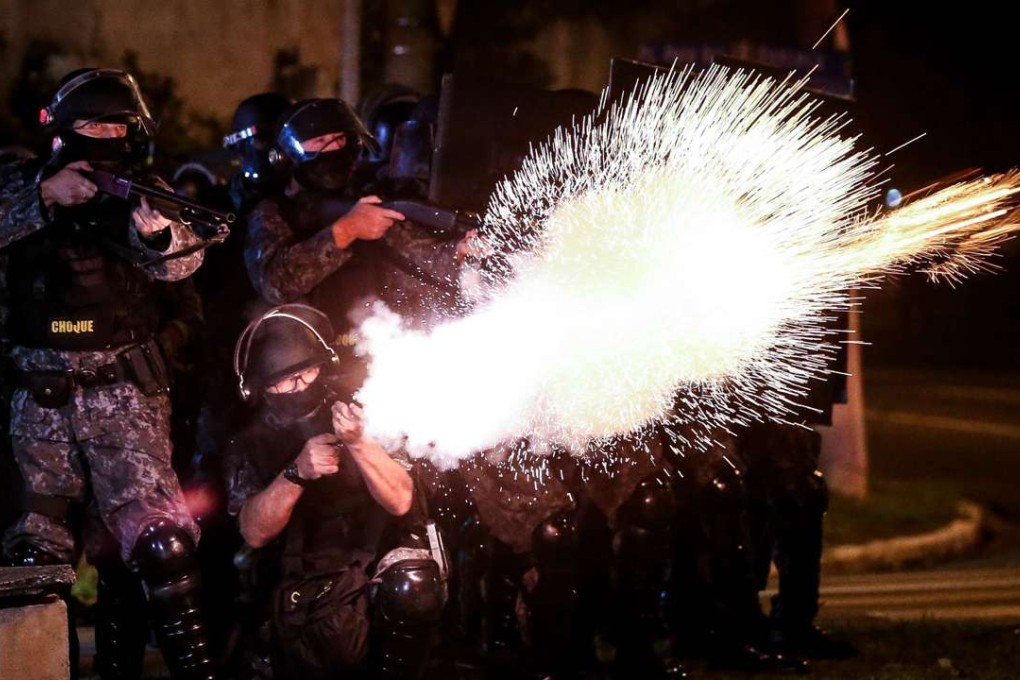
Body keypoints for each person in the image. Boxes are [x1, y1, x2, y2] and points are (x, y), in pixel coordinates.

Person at [0, 67, 215, 679]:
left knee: (162, 548)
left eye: (119, 126)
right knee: (35, 559)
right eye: (95, 124)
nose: (108, 136)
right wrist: (44, 199)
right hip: (36, 397)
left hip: (125, 396)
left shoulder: (142, 188)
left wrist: (164, 237)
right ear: (65, 132)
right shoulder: (19, 181)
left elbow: (181, 266)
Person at [224, 304, 446, 679]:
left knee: (414, 585)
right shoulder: (248, 443)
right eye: (287, 380)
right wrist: (296, 473)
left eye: (308, 371)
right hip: (303, 576)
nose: (302, 386)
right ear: (262, 387)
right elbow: (254, 532)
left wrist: (359, 444)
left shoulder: (361, 407)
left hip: (374, 561)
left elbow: (401, 499)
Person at [243, 98, 475, 393]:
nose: (333, 148)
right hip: (310, 372)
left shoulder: (370, 197)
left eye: (340, 138)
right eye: (320, 141)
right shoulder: (273, 212)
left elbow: (414, 253)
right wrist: (345, 230)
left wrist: (458, 253)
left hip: (382, 352)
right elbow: (276, 283)